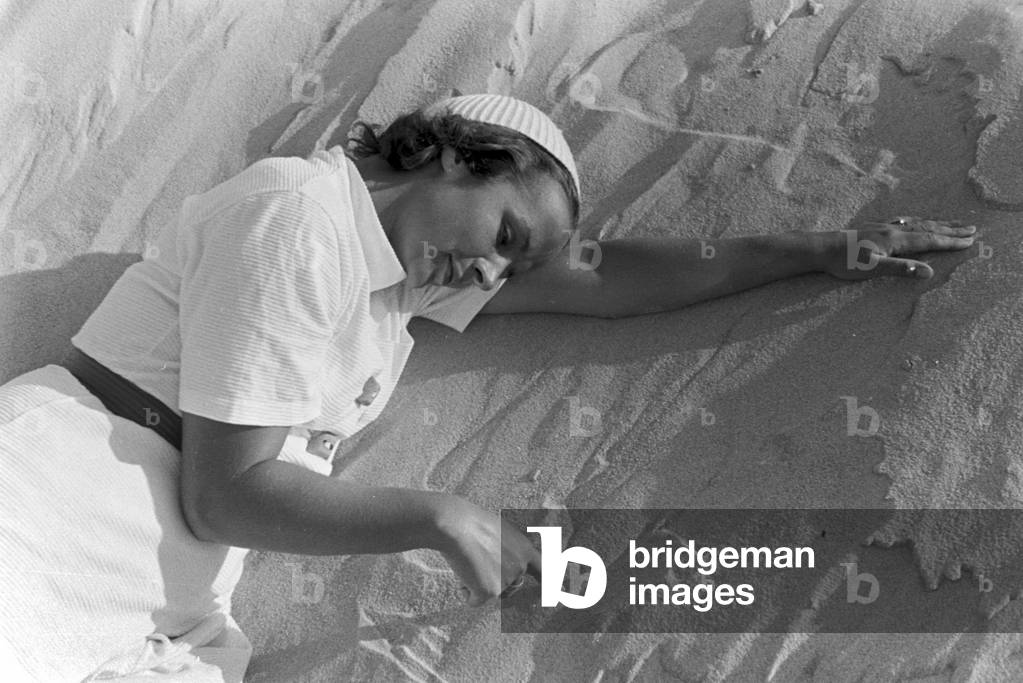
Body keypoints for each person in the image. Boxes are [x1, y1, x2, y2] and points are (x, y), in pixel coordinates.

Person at [0, 93, 976, 681]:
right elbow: (225, 493)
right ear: (451, 153)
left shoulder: (398, 279)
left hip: (169, 594)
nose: (491, 275)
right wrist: (440, 516)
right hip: (59, 518)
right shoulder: (301, 216)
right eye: (506, 235)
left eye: (515, 267)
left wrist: (817, 250)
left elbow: (606, 278)